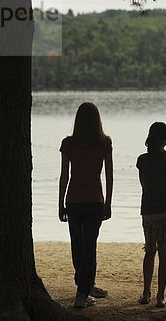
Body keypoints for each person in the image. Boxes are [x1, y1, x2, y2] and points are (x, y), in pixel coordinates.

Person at [58, 102, 113, 308]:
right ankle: (83, 290)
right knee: (89, 246)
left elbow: (64, 175)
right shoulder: (104, 143)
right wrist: (108, 202)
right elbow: (109, 176)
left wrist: (60, 202)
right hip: (94, 201)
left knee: (78, 245)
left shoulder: (69, 143)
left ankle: (84, 286)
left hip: (73, 200)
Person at [136, 122, 166, 308]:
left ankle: (146, 292)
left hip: (149, 212)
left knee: (149, 251)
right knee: (164, 253)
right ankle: (160, 296)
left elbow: (145, 186)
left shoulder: (142, 161)